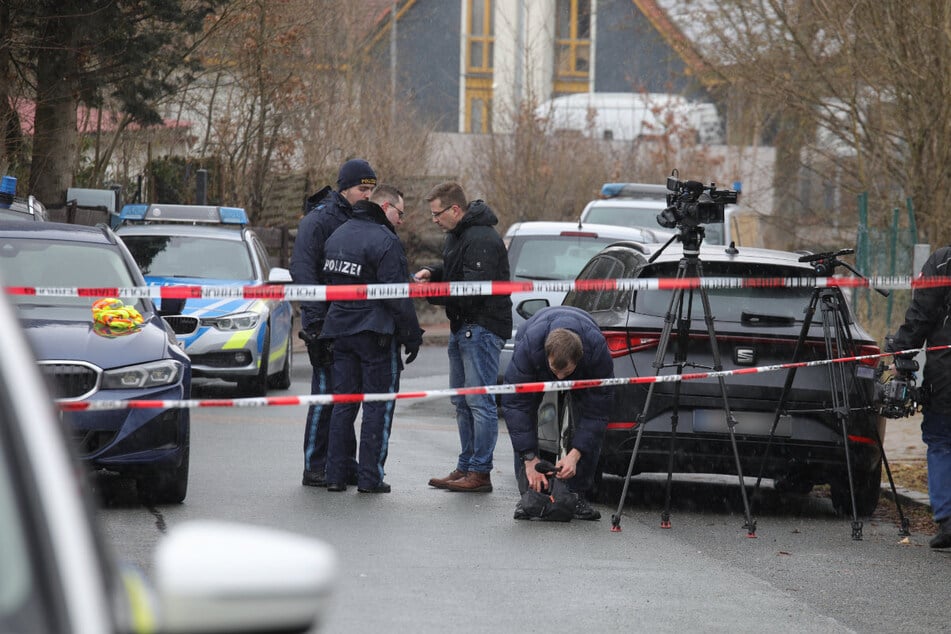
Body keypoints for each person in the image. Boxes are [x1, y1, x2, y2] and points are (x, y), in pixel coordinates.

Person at [319, 184, 423, 493]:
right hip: (375, 334)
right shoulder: (385, 240)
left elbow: (329, 284)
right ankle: (370, 477)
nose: (401, 221)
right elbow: (397, 297)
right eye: (399, 213)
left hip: (339, 331)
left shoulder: (337, 235)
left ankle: (335, 475)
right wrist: (412, 335)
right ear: (386, 206)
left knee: (343, 405)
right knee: (377, 407)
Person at [414, 181, 512, 493]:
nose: (434, 220)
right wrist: (434, 271)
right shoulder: (459, 235)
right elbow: (457, 269)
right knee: (462, 401)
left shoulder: (481, 237)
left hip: (481, 328)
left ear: (456, 209)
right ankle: (467, 464)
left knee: (478, 402)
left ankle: (480, 471)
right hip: (463, 327)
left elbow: (472, 289)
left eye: (437, 213)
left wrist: (432, 293)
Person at [290, 158, 377, 487]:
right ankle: (315, 464)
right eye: (361, 188)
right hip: (326, 323)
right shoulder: (319, 220)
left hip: (349, 322)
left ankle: (340, 462)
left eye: (371, 189)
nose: (367, 195)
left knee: (345, 400)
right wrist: (314, 325)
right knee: (326, 397)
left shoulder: (355, 217)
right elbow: (304, 272)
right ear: (345, 188)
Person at [501, 305, 614, 520]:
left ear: (579, 360)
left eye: (566, 372)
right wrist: (529, 459)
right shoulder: (530, 348)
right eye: (555, 371)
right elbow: (516, 407)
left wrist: (575, 454)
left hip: (584, 364)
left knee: (585, 420)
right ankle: (528, 496)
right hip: (535, 348)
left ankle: (576, 494)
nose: (560, 379)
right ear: (546, 355)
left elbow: (597, 412)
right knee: (526, 420)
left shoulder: (596, 351)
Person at [886, 246, 951, 548]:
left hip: (946, 371)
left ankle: (948, 519)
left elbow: (920, 315)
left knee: (941, 441)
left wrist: (901, 354)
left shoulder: (943, 262)